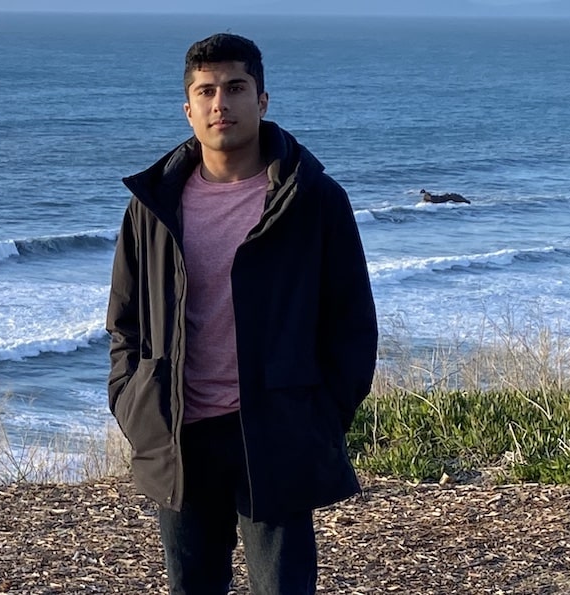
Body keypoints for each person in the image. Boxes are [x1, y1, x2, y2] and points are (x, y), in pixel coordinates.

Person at [106, 32, 378, 594]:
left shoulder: (313, 200)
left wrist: (320, 416)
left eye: (235, 87)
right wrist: (135, 403)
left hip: (274, 432)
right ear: (188, 108)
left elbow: (351, 323)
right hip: (182, 432)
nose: (219, 103)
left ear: (262, 100)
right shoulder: (152, 207)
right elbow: (125, 322)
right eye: (205, 91)